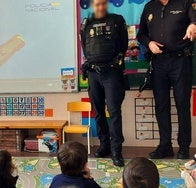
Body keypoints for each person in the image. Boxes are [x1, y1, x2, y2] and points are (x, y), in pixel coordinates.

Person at [137, 0, 196, 159]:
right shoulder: (149, 6)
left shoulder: (185, 3)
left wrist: (193, 25)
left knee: (182, 105)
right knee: (161, 106)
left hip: (180, 61)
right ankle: (165, 146)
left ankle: (184, 147)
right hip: (159, 62)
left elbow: (194, 19)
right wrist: (149, 44)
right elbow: (141, 34)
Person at [80, 0, 128, 166]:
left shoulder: (117, 21)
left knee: (114, 112)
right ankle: (104, 145)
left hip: (112, 73)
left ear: (106, 5)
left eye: (102, 4)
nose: (100, 7)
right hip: (93, 74)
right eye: (97, 4)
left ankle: (116, 150)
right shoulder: (86, 23)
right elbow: (85, 47)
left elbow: (124, 46)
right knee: (98, 112)